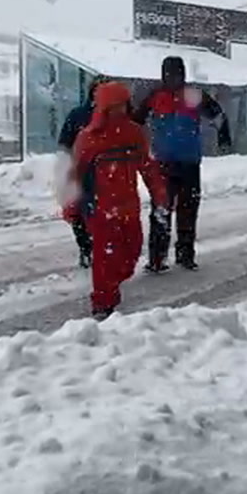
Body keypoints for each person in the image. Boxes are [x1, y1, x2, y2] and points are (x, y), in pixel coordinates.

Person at [69, 81, 169, 319]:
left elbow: (148, 167)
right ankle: (103, 303)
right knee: (105, 257)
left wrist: (160, 194)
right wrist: (71, 207)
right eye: (114, 106)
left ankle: (111, 286)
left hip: (128, 208)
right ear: (104, 107)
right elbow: (75, 174)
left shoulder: (134, 133)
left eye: (123, 105)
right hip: (100, 209)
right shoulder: (88, 137)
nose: (120, 111)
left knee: (131, 253)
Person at [132, 56, 232, 272]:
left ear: (183, 74)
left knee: (188, 209)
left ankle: (185, 254)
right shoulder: (155, 96)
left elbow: (218, 116)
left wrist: (224, 137)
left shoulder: (193, 95)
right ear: (163, 75)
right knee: (161, 210)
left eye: (176, 74)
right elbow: (136, 120)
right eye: (169, 74)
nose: (173, 78)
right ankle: (157, 259)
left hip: (188, 162)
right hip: (163, 163)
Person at [57, 76, 108, 267]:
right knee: (78, 212)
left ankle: (100, 248)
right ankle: (86, 248)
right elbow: (64, 142)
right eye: (98, 89)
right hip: (80, 170)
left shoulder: (114, 117)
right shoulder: (78, 115)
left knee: (100, 213)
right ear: (92, 92)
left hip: (105, 172)